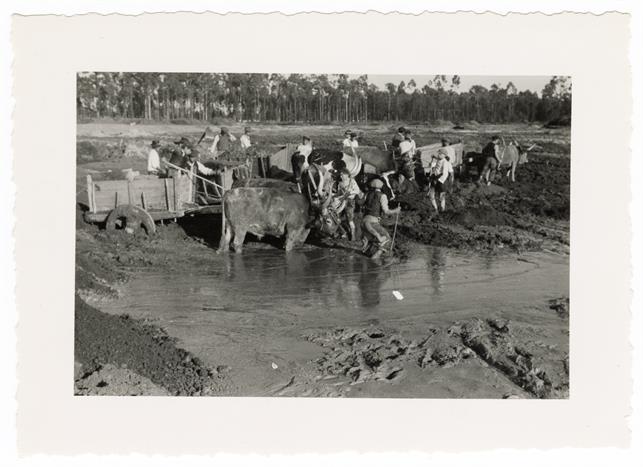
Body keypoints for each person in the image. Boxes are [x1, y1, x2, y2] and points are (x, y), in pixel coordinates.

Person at [361, 178, 401, 259]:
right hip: (372, 223)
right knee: (387, 239)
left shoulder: (367, 194)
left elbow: (361, 203)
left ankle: (368, 258)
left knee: (372, 240)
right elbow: (386, 211)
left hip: (363, 222)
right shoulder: (382, 196)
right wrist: (396, 210)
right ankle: (374, 260)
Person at [333, 167, 363, 241]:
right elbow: (339, 192)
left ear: (347, 175)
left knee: (350, 219)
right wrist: (334, 195)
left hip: (350, 202)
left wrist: (350, 193)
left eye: (342, 174)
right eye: (340, 175)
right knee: (336, 216)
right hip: (341, 201)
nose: (341, 176)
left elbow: (357, 190)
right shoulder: (340, 183)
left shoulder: (352, 181)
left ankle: (353, 236)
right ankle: (341, 232)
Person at [428, 148, 453, 213]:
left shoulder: (445, 162)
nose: (438, 155)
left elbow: (445, 174)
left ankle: (442, 210)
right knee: (431, 195)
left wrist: (438, 181)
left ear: (444, 155)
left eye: (440, 154)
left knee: (441, 197)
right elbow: (437, 160)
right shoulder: (439, 159)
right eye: (438, 153)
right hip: (435, 179)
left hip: (441, 181)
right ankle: (435, 209)